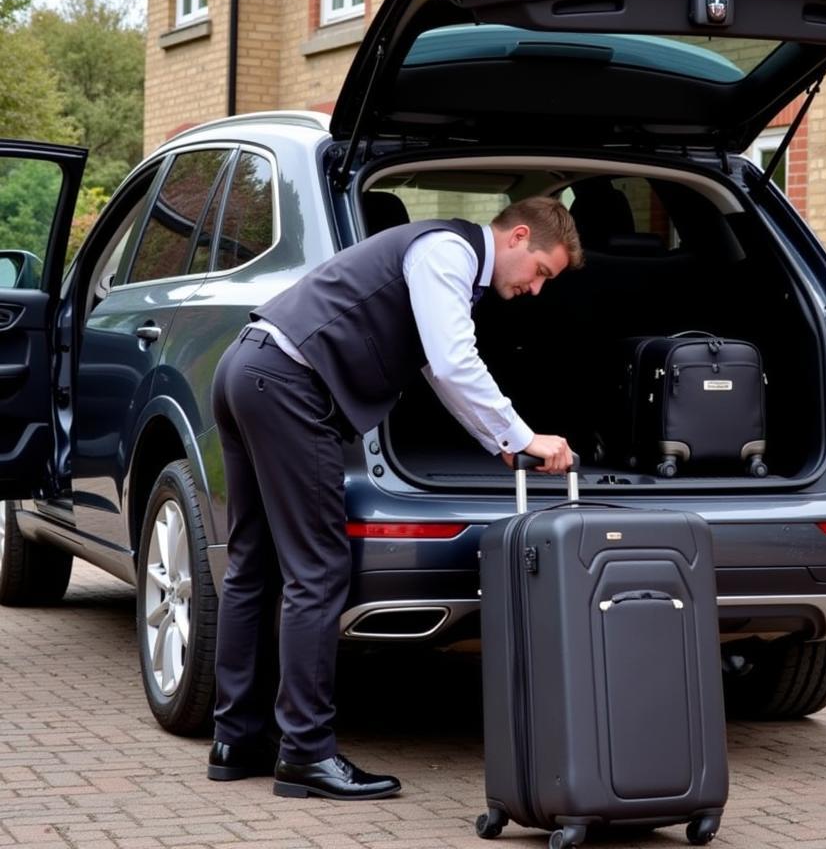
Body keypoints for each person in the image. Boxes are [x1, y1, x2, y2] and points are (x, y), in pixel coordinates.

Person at [207, 195, 583, 800]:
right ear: (517, 237)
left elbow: (438, 370)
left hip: (250, 368)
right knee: (318, 571)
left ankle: (236, 739)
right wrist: (526, 436)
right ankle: (305, 753)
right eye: (541, 272)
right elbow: (454, 361)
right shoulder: (448, 252)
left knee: (256, 564)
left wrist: (501, 443)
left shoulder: (446, 263)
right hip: (286, 384)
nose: (537, 290)